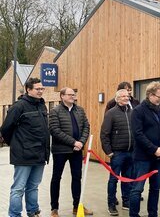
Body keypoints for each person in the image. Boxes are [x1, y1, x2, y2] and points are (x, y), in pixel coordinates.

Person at [1, 78, 50, 217]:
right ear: (28, 90)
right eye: (37, 89)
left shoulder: (42, 105)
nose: (41, 91)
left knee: (33, 186)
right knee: (18, 188)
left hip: (40, 154)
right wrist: (16, 144)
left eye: (42, 89)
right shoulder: (19, 106)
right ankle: (15, 214)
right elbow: (5, 129)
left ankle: (33, 211)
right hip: (23, 155)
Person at [129, 82, 160, 217]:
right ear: (150, 95)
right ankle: (134, 214)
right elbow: (138, 134)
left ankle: (153, 214)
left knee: (155, 188)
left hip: (159, 157)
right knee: (137, 189)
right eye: (159, 96)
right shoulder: (138, 111)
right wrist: (153, 149)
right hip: (142, 158)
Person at [49, 87, 92, 217]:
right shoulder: (55, 111)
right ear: (62, 96)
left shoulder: (80, 110)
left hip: (77, 151)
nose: (73, 96)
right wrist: (74, 142)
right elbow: (55, 130)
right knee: (56, 178)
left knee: (77, 178)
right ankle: (54, 209)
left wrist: (81, 143)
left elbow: (86, 127)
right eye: (70, 94)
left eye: (74, 94)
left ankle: (76, 206)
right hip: (60, 151)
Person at [100, 89, 134, 216]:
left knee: (128, 179)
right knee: (113, 180)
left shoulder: (132, 112)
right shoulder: (111, 113)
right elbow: (104, 134)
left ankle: (126, 202)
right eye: (123, 96)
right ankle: (111, 205)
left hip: (131, 152)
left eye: (127, 96)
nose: (126, 98)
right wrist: (108, 151)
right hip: (117, 153)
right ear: (117, 98)